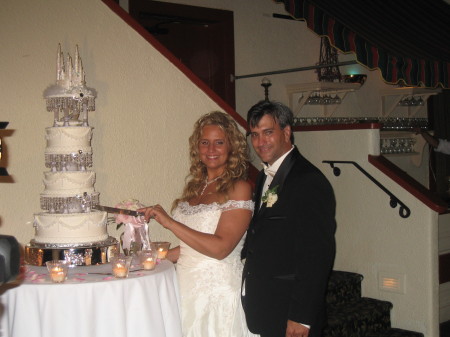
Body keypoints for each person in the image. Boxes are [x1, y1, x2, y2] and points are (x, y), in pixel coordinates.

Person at [140, 111, 258, 337]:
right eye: (205, 142)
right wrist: (152, 255)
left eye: (219, 143)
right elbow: (189, 249)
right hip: (185, 288)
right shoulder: (196, 188)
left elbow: (220, 248)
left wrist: (170, 223)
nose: (211, 149)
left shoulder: (239, 188)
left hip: (217, 293)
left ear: (231, 146)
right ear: (197, 147)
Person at [241, 100, 336, 337]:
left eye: (268, 132)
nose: (260, 142)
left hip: (290, 313)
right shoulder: (265, 176)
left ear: (286, 131)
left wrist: (301, 316)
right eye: (254, 135)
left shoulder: (308, 181)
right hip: (266, 307)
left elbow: (317, 255)